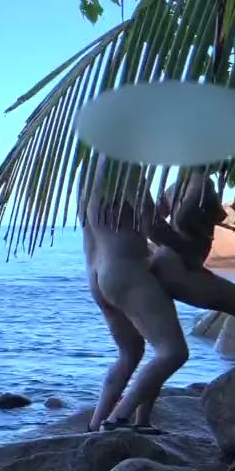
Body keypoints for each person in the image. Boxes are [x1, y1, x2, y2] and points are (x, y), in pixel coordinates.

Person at [80, 157, 189, 434]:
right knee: (173, 352)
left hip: (97, 273)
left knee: (130, 353)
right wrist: (188, 249)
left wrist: (163, 204)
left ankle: (96, 424)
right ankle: (118, 420)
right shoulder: (123, 160)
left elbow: (119, 217)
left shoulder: (89, 167)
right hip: (125, 270)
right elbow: (151, 225)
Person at [148, 169, 235, 358]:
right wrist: (189, 254)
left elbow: (155, 219)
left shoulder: (178, 185)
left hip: (165, 262)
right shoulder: (202, 182)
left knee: (168, 350)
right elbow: (185, 217)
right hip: (181, 268)